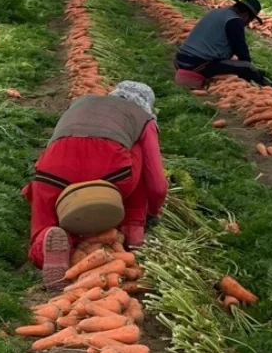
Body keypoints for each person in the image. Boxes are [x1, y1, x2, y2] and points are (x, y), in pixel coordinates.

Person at [23, 82, 168, 287]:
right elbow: (156, 184)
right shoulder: (143, 119)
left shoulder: (81, 104)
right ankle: (133, 230)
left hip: (54, 169)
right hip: (110, 174)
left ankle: (48, 244)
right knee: (141, 157)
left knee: (45, 219)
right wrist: (152, 212)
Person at [174, 0, 272, 94]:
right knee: (247, 67)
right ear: (246, 15)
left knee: (234, 61)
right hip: (196, 64)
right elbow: (243, 54)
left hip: (180, 59)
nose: (247, 24)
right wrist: (249, 70)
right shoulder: (235, 21)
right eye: (250, 20)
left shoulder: (218, 12)